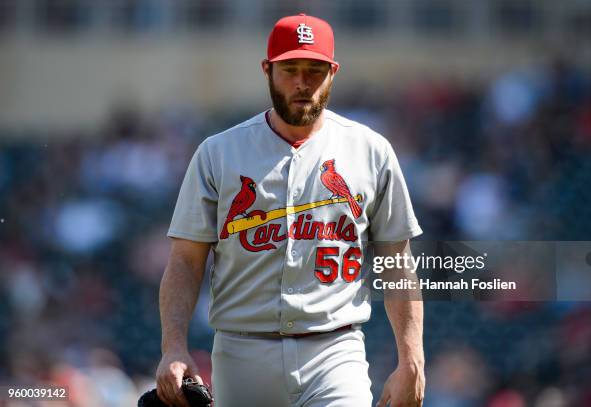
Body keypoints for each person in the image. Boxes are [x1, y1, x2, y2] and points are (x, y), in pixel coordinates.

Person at [155, 13, 425, 407]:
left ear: (333, 73)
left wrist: (411, 358)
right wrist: (174, 347)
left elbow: (397, 261)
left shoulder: (370, 151)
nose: (302, 82)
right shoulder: (219, 153)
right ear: (267, 70)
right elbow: (185, 262)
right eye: (290, 70)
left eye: (315, 71)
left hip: (335, 351)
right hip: (241, 352)